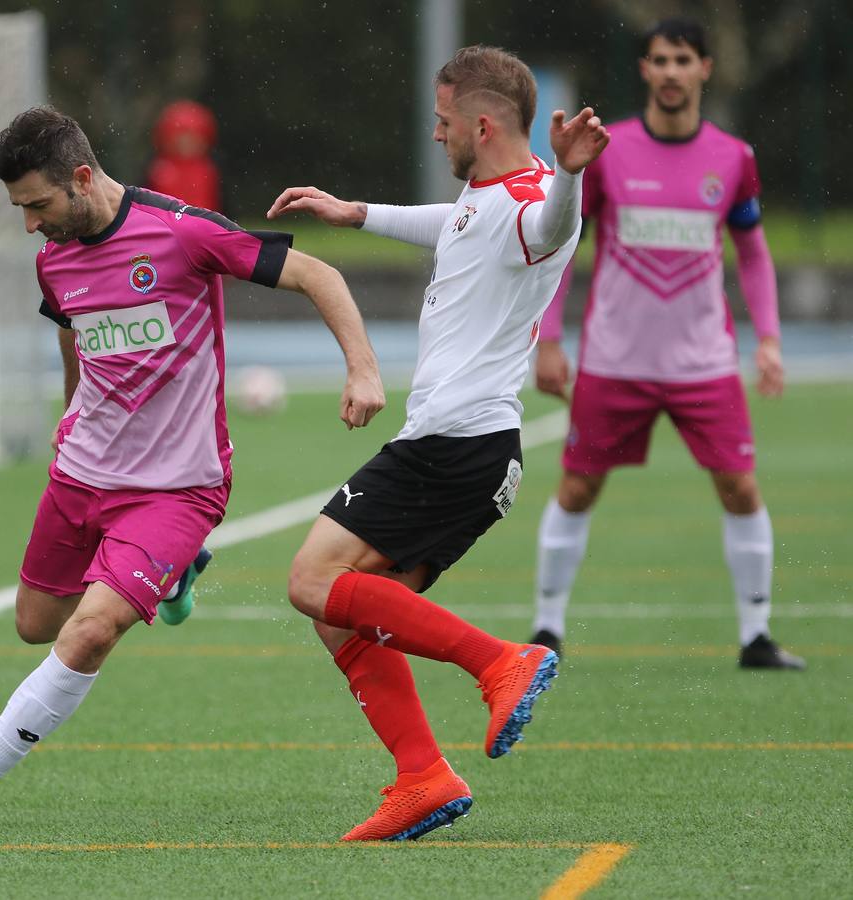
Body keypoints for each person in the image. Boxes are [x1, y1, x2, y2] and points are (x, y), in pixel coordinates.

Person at [0, 106, 387, 829]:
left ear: (80, 178)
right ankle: (176, 570)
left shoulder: (183, 232)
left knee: (90, 631)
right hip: (80, 476)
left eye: (37, 205)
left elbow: (318, 274)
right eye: (19, 210)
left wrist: (361, 369)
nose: (30, 225)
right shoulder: (53, 258)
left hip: (178, 488)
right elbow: (74, 331)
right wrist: (70, 412)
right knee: (36, 625)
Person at [266, 45, 607, 841]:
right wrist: (357, 213)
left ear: (481, 124)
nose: (434, 133)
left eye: (443, 120)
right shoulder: (487, 197)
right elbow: (457, 225)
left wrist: (573, 176)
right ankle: (421, 777)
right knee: (342, 615)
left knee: (311, 580)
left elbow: (548, 224)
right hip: (473, 451)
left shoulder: (539, 203)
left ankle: (499, 663)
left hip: (454, 443)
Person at [527, 19, 803, 670]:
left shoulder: (734, 158)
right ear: (645, 71)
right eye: (659, 60)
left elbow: (755, 255)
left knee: (739, 486)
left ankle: (757, 636)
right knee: (577, 488)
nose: (672, 72)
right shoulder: (606, 149)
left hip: (703, 363)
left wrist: (768, 339)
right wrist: (547, 339)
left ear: (706, 68)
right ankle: (546, 628)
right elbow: (564, 247)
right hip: (613, 361)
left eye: (683, 59)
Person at [145, 100, 222, 213]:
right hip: (166, 226)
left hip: (204, 226)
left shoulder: (209, 169)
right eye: (180, 139)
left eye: (193, 139)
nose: (186, 144)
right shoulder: (159, 169)